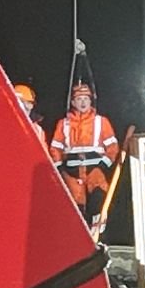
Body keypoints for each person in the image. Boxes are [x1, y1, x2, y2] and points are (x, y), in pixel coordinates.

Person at [48, 82, 120, 220]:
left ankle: (98, 237)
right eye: (79, 99)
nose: (83, 102)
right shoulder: (64, 123)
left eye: (86, 99)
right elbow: (55, 148)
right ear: (73, 102)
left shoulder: (101, 121)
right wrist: (60, 169)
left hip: (95, 171)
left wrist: (103, 166)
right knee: (75, 208)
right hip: (72, 172)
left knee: (99, 204)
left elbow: (112, 148)